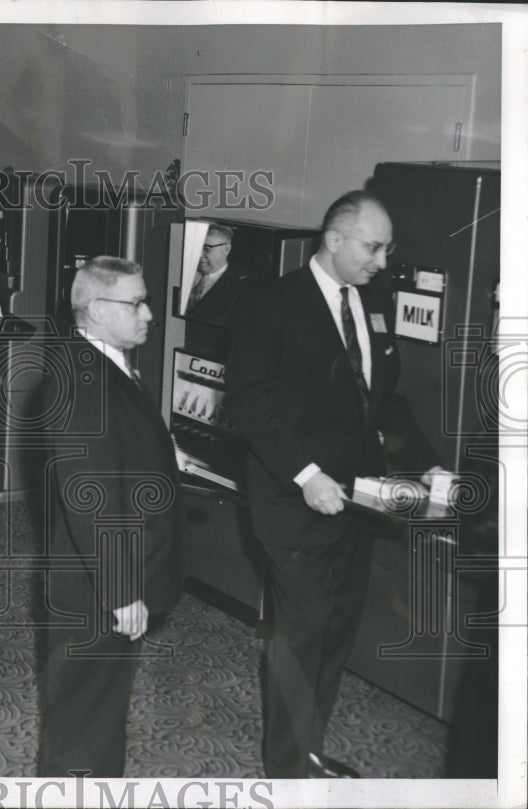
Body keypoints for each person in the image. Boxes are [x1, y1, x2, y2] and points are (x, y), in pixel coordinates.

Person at [225, 190, 449, 779]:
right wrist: (306, 475)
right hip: (294, 503)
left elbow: (385, 402)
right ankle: (286, 774)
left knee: (334, 633)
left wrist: (427, 464)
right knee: (298, 639)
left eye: (387, 249)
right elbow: (249, 405)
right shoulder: (271, 302)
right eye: (374, 247)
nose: (382, 260)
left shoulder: (374, 305)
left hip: (359, 504)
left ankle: (308, 750)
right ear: (334, 238)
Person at [37, 256, 183, 778]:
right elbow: (89, 494)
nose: (148, 314)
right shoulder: (82, 377)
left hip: (101, 576)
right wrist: (122, 590)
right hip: (98, 584)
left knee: (96, 714)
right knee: (85, 722)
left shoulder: (103, 362)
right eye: (136, 302)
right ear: (97, 309)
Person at [182, 223, 246, 353]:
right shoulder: (181, 275)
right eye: (195, 248)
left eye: (207, 248)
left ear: (226, 250)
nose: (199, 255)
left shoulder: (240, 291)